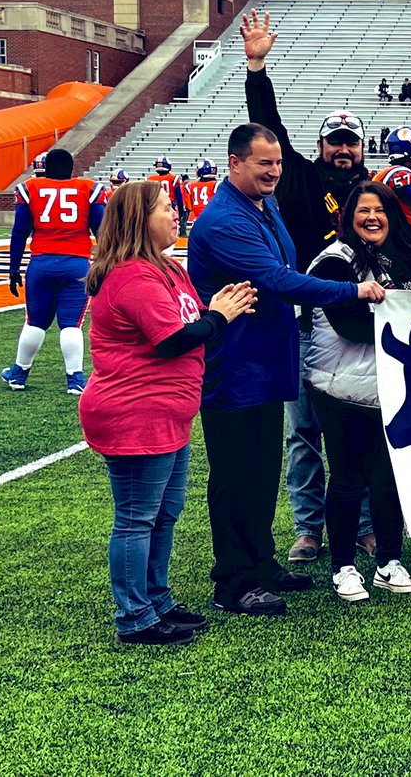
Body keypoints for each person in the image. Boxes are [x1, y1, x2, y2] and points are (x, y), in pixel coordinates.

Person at [188, 123, 387, 616]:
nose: (275, 172)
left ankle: (260, 561)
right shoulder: (225, 221)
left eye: (278, 163)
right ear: (235, 163)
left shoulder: (263, 204)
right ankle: (233, 580)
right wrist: (351, 291)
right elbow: (277, 279)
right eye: (264, 164)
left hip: (261, 362)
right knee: (235, 477)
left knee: (260, 472)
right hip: (232, 367)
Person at [80, 180, 256, 644]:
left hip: (167, 412)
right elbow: (175, 338)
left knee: (164, 513)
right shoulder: (132, 276)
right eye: (164, 209)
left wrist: (217, 310)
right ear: (140, 219)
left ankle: (156, 600)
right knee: (137, 517)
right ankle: (135, 616)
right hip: (135, 411)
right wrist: (220, 315)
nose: (175, 214)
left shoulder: (166, 268)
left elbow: (192, 318)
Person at [241, 8, 376, 565]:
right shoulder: (298, 178)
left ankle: (364, 524)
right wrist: (257, 66)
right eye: (334, 142)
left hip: (356, 328)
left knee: (359, 429)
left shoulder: (373, 194)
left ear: (363, 149)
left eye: (351, 142)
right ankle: (307, 527)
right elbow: (268, 125)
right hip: (302, 325)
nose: (342, 149)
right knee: (303, 435)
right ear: (320, 147)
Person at [306, 181, 411, 602]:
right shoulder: (333, 261)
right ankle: (342, 566)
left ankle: (389, 560)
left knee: (389, 479)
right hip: (340, 387)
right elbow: (350, 327)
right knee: (348, 479)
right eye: (363, 211)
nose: (372, 218)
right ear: (348, 217)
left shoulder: (404, 256)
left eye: (380, 210)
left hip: (389, 387)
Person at [1, 148, 103, 394]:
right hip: (76, 264)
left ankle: (19, 374)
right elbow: (102, 231)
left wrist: (13, 268)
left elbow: (19, 232)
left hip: (41, 264)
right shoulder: (88, 188)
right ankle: (75, 379)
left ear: (46, 169)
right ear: (71, 169)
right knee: (70, 324)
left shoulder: (31, 188)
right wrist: (107, 263)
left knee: (35, 322)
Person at [147, 155, 187, 237]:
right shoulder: (173, 178)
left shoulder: (150, 178)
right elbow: (179, 197)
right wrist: (181, 212)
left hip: (154, 207)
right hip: (169, 206)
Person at [185, 159, 220, 226]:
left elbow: (189, 206)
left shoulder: (190, 186)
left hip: (196, 219)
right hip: (212, 219)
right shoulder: (217, 185)